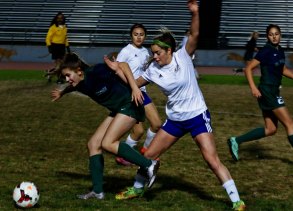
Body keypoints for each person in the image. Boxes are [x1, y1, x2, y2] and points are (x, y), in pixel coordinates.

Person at [104, 1, 246, 210]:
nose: (154, 56)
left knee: (211, 159)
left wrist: (195, 13)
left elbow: (195, 35)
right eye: (152, 52)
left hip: (197, 116)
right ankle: (136, 188)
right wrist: (118, 70)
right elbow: (134, 82)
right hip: (176, 121)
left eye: (157, 53)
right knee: (149, 156)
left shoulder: (183, 56)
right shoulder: (153, 69)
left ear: (168, 50)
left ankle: (236, 201)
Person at [51, 52, 160, 200]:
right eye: (65, 77)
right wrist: (62, 92)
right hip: (118, 109)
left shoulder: (97, 71)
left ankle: (148, 165)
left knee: (108, 143)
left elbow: (124, 65)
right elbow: (73, 87)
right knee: (93, 144)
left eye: (68, 75)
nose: (67, 79)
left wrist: (135, 88)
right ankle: (97, 191)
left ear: (79, 71)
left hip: (130, 105)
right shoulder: (79, 83)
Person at [228, 24, 293, 162]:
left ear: (280, 35)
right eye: (271, 34)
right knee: (290, 124)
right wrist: (253, 88)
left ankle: (235, 141)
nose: (274, 36)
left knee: (270, 129)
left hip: (272, 91)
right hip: (267, 91)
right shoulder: (265, 51)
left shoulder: (280, 50)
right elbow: (248, 69)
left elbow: (283, 70)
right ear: (267, 36)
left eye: (276, 34)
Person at [114, 23, 162, 166]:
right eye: (136, 34)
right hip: (129, 93)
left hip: (142, 92)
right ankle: (123, 155)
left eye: (141, 34)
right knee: (139, 131)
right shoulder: (126, 51)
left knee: (157, 124)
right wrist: (130, 86)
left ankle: (146, 150)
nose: (139, 37)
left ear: (145, 36)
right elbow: (118, 70)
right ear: (131, 36)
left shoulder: (146, 52)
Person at [45, 11, 71, 83]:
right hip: (55, 46)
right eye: (58, 18)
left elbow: (65, 38)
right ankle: (59, 79)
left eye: (61, 18)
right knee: (58, 64)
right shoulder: (53, 27)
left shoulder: (64, 27)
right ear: (56, 19)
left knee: (62, 64)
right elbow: (47, 38)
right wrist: (49, 47)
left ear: (63, 19)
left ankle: (50, 73)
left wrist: (67, 47)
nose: (60, 19)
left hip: (62, 47)